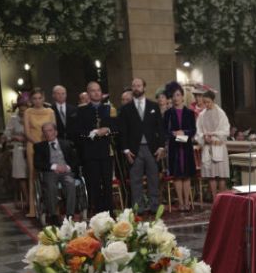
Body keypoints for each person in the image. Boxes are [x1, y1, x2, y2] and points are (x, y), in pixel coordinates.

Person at [118, 78, 166, 215]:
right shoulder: (126, 109)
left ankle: (154, 206)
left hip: (152, 148)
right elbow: (123, 131)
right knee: (135, 180)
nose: (136, 88)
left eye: (139, 85)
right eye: (134, 86)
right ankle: (138, 208)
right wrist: (126, 149)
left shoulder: (153, 106)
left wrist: (162, 146)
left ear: (144, 87)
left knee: (153, 179)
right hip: (134, 149)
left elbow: (160, 128)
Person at [71, 81, 117, 215]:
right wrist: (92, 133)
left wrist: (107, 129)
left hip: (105, 151)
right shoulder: (82, 110)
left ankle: (109, 211)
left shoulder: (109, 109)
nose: (96, 93)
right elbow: (78, 131)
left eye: (98, 90)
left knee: (107, 183)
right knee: (94, 183)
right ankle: (96, 211)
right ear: (88, 93)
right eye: (93, 90)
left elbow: (116, 127)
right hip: (90, 152)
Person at [33, 122, 79, 226]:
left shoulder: (67, 144)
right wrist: (54, 167)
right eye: (45, 131)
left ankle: (70, 215)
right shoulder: (39, 146)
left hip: (66, 172)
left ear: (56, 132)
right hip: (50, 172)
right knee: (50, 186)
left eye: (50, 130)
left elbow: (75, 160)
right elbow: (37, 163)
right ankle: (53, 215)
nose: (48, 133)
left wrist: (67, 167)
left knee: (71, 184)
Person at [163, 81, 197, 211]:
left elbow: (193, 130)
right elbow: (164, 131)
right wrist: (174, 134)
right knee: (177, 175)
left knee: (186, 175)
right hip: (174, 148)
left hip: (186, 147)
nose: (175, 98)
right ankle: (181, 202)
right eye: (173, 95)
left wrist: (184, 133)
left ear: (182, 96)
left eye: (178, 95)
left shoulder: (189, 113)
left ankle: (187, 202)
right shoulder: (168, 114)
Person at [23, 88, 56, 217]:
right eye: (34, 98)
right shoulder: (28, 112)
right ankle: (33, 209)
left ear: (43, 98)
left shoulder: (50, 111)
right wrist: (38, 145)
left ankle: (53, 206)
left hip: (49, 145)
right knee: (33, 174)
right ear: (31, 100)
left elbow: (54, 129)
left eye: (39, 98)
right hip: (33, 145)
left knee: (50, 173)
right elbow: (26, 132)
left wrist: (47, 144)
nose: (37, 101)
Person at [196, 89, 230, 200]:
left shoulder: (221, 113)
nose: (206, 104)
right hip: (207, 146)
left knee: (221, 175)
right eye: (204, 102)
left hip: (218, 146)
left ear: (213, 101)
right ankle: (215, 199)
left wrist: (214, 136)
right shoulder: (202, 115)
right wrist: (204, 137)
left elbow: (225, 130)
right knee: (211, 175)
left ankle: (223, 199)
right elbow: (199, 131)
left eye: (208, 102)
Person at [5, 97, 30, 211]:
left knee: (31, 174)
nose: (22, 112)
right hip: (19, 149)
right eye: (20, 110)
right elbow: (7, 135)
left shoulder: (31, 116)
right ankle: (27, 199)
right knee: (21, 176)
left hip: (30, 147)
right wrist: (14, 136)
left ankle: (35, 198)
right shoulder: (13, 119)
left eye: (24, 110)